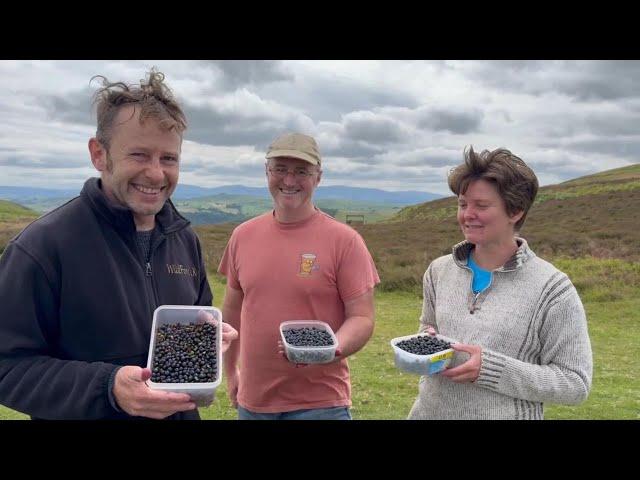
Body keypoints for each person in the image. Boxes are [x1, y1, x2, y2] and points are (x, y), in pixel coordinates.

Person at [0, 69, 237, 420]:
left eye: (168, 158)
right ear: (99, 154)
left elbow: (194, 319)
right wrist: (107, 387)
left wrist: (204, 340)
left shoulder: (184, 239)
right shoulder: (42, 248)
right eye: (139, 155)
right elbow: (7, 366)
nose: (156, 174)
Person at [407, 146, 593, 420]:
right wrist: (426, 341)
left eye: (481, 205)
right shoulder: (438, 271)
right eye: (462, 204)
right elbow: (429, 329)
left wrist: (492, 370)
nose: (467, 214)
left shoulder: (552, 289)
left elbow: (575, 383)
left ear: (515, 210)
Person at [218, 132, 380, 420]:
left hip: (321, 405)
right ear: (267, 172)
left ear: (318, 176)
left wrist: (328, 350)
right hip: (254, 404)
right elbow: (231, 311)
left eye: (301, 171)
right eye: (280, 169)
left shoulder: (345, 241)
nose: (289, 181)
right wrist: (231, 372)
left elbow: (362, 317)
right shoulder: (242, 236)